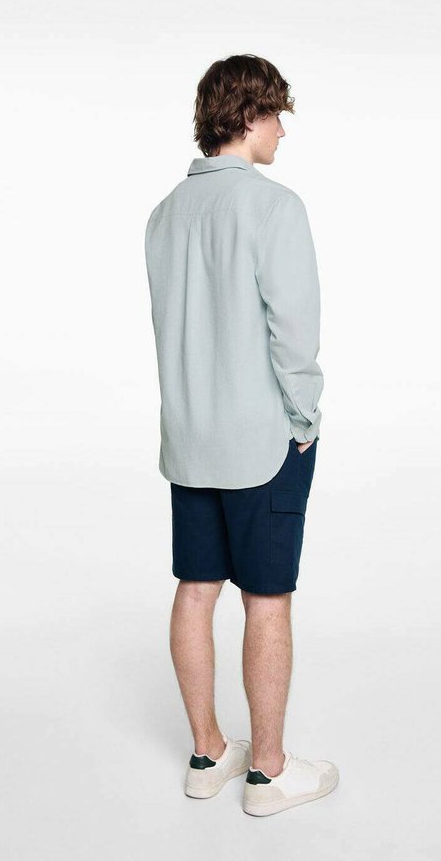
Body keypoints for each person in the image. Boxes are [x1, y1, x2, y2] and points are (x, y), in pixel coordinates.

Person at [144, 54, 338, 816]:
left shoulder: (165, 213)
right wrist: (306, 416)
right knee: (267, 598)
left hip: (188, 437)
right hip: (260, 438)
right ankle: (269, 773)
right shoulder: (273, 205)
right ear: (250, 114)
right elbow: (293, 330)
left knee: (196, 589)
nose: (283, 130)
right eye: (277, 114)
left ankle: (207, 754)